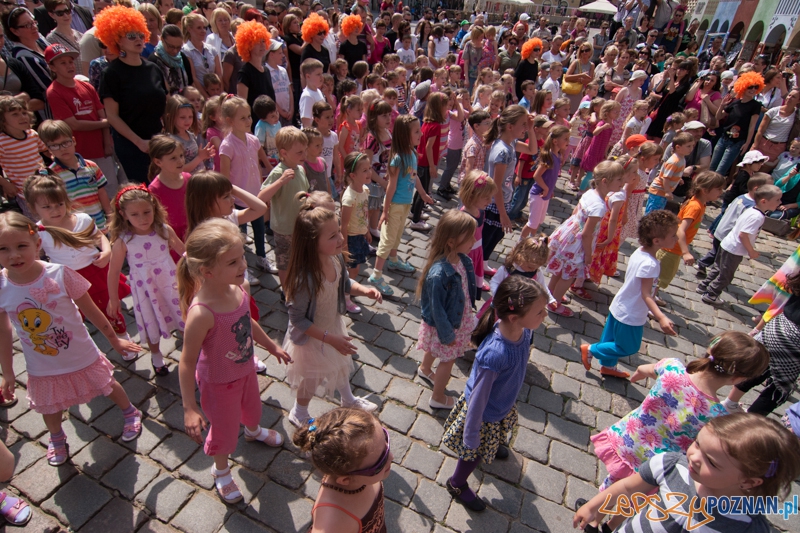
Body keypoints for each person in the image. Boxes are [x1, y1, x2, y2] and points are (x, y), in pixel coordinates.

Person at [0, 211, 144, 466]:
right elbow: (4, 331)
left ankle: (130, 410)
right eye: (3, 249)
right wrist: (8, 372)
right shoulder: (1, 285)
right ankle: (56, 437)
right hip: (41, 363)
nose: (14, 255)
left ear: (37, 244)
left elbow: (91, 310)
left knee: (106, 384)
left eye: (21, 246)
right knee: (49, 405)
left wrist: (114, 341)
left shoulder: (59, 273)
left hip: (80, 352)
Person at [178, 219, 288, 503]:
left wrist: (271, 345)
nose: (242, 266)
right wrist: (189, 406)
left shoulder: (238, 289)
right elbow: (187, 362)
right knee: (224, 432)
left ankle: (253, 431)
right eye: (232, 262)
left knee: (253, 409)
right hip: (218, 382)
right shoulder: (201, 313)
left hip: (245, 370)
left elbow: (247, 322)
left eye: (241, 258)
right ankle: (221, 470)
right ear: (207, 271)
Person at [574, 413, 800, 533]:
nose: (693, 456)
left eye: (711, 461)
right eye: (697, 443)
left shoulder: (748, 527)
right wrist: (595, 506)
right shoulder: (672, 465)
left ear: (749, 481)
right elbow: (627, 488)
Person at [442, 276, 548, 512]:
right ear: (513, 317)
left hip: (501, 404)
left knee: (495, 435)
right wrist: (471, 436)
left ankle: (494, 443)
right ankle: (457, 483)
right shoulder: (495, 354)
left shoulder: (525, 331)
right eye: (540, 311)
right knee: (475, 453)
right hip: (484, 414)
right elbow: (478, 400)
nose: (545, 315)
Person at [283, 196, 382, 427]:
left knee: (339, 363)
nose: (340, 238)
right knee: (312, 376)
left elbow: (344, 283)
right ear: (312, 243)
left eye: (339, 231)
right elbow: (297, 319)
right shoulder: (305, 279)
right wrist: (329, 339)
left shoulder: (335, 257)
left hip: (332, 326)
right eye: (332, 236)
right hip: (311, 337)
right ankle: (299, 412)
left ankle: (348, 399)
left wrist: (364, 290)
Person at [23, 173, 133, 354]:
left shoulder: (82, 219)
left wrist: (106, 252)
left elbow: (100, 238)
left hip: (96, 271)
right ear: (33, 207)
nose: (55, 210)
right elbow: (35, 256)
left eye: (59, 204)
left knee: (109, 305)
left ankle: (122, 336)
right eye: (46, 207)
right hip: (66, 278)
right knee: (75, 314)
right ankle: (87, 346)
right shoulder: (37, 231)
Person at [106, 185, 185, 376]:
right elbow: (114, 271)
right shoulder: (124, 240)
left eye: (146, 212)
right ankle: (156, 356)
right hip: (146, 289)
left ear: (154, 209)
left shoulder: (164, 231)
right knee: (152, 322)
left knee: (183, 317)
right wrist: (114, 298)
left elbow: (184, 253)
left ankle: (192, 350)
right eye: (135, 214)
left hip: (171, 284)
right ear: (124, 214)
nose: (142, 218)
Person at [96, 6, 168, 184]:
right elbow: (112, 116)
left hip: (158, 142)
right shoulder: (112, 73)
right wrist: (139, 142)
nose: (138, 39)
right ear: (117, 40)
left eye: (140, 35)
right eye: (130, 35)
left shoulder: (153, 68)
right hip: (131, 146)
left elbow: (164, 104)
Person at [545, 161, 624, 318]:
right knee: (569, 276)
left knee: (560, 270)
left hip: (569, 235)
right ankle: (556, 303)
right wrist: (588, 255)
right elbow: (587, 234)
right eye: (619, 179)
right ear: (605, 181)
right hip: (578, 244)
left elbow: (575, 212)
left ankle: (549, 295)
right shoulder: (600, 206)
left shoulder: (589, 193)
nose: (623, 182)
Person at [416, 210, 477, 410]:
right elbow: (437, 309)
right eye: (469, 237)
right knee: (448, 359)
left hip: (457, 319)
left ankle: (425, 369)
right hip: (447, 325)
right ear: (451, 242)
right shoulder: (439, 274)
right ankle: (438, 397)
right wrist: (447, 334)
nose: (474, 240)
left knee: (436, 350)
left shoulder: (463, 260)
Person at [293, 408, 390, 532]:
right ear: (345, 480)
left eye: (386, 441)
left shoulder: (366, 474)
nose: (391, 457)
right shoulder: (331, 521)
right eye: (381, 461)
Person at [368, 115, 431, 296]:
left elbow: (414, 176)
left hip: (405, 204)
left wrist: (423, 193)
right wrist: (385, 211)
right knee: (387, 239)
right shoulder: (397, 159)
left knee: (395, 237)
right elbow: (391, 187)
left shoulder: (411, 154)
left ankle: (394, 260)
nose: (420, 134)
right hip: (395, 205)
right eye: (416, 131)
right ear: (405, 135)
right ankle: (376, 275)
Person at [697, 185, 783, 305]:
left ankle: (703, 285)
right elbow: (743, 235)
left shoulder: (752, 209)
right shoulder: (757, 217)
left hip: (727, 243)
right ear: (764, 201)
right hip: (734, 250)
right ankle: (711, 294)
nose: (780, 203)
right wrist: (751, 251)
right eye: (777, 200)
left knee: (718, 268)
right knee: (726, 276)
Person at [218, 97, 273, 283]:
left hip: (254, 196)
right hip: (237, 200)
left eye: (249, 117)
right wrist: (228, 198)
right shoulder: (227, 146)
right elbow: (224, 177)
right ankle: (243, 267)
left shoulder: (253, 139)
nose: (248, 121)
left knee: (259, 231)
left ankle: (262, 258)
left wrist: (261, 186)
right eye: (243, 118)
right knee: (238, 237)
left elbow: (258, 164)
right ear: (229, 121)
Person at [654, 171, 725, 304]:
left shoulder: (699, 203)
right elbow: (681, 229)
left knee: (663, 275)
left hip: (674, 248)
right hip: (672, 248)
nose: (721, 192)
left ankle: (652, 295)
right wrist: (686, 252)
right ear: (705, 190)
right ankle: (649, 300)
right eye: (718, 189)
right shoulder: (695, 207)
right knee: (661, 276)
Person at [482, 106, 536, 273]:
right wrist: (504, 214)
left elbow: (532, 150)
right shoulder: (503, 152)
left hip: (502, 201)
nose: (525, 128)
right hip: (494, 203)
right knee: (488, 237)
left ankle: (482, 265)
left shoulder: (511, 143)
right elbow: (495, 186)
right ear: (510, 126)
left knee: (496, 235)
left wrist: (532, 129)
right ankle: (476, 269)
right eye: (523, 124)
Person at [258, 127, 310, 291]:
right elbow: (261, 197)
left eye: (305, 150)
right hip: (284, 229)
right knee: (284, 262)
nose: (304, 155)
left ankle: (298, 285)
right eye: (299, 152)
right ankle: (286, 291)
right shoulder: (278, 172)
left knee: (299, 258)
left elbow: (305, 193)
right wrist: (280, 182)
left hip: (300, 226)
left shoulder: (300, 169)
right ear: (284, 153)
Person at [38, 119, 113, 232]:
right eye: (55, 146)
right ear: (48, 149)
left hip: (98, 223)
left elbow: (101, 192)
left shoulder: (91, 166)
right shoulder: (51, 174)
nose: (62, 148)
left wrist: (109, 214)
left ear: (73, 141)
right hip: (73, 228)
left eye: (65, 143)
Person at [710, 72, 765, 177]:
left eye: (756, 87)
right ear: (743, 86)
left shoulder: (756, 105)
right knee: (712, 167)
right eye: (750, 87)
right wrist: (722, 105)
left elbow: (752, 126)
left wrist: (747, 143)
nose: (753, 90)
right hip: (723, 138)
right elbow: (718, 117)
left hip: (736, 143)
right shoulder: (735, 102)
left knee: (720, 171)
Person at [521, 125, 569, 238]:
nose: (568, 141)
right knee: (532, 223)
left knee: (538, 222)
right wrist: (546, 188)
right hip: (538, 194)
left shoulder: (558, 155)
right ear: (555, 141)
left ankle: (531, 240)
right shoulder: (549, 156)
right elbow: (537, 175)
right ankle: (520, 241)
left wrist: (550, 189)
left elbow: (550, 177)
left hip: (545, 195)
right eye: (565, 138)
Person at [235, 21, 277, 126]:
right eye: (257, 42)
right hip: (254, 125)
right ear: (248, 45)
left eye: (263, 41)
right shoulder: (244, 72)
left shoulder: (266, 70)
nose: (262, 45)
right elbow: (242, 105)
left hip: (270, 125)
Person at [645, 132, 695, 213]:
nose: (691, 148)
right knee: (652, 212)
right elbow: (666, 177)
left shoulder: (681, 158)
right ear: (678, 147)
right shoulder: (674, 161)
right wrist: (668, 191)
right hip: (659, 191)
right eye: (688, 146)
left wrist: (678, 179)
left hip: (663, 191)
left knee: (658, 211)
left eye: (692, 146)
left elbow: (674, 173)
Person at [646, 60, 692, 140]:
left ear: (687, 72)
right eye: (678, 69)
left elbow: (673, 94)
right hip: (660, 109)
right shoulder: (669, 80)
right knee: (649, 133)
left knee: (658, 136)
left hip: (669, 111)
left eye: (682, 70)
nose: (679, 71)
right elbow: (657, 90)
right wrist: (664, 79)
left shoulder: (685, 84)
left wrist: (671, 78)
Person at [182, 13, 221, 98]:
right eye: (199, 28)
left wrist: (218, 95)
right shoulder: (186, 51)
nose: (203, 31)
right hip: (198, 97)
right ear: (189, 29)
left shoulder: (212, 49)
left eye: (204, 27)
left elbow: (219, 74)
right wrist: (206, 98)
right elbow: (193, 78)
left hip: (215, 94)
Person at [147, 24, 193, 96]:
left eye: (178, 47)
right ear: (162, 39)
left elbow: (190, 82)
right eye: (171, 46)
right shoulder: (154, 60)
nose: (175, 51)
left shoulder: (182, 57)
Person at [43, 0, 83, 73]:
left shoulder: (80, 34)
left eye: (67, 11)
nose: (65, 15)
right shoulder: (51, 39)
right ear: (51, 15)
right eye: (60, 13)